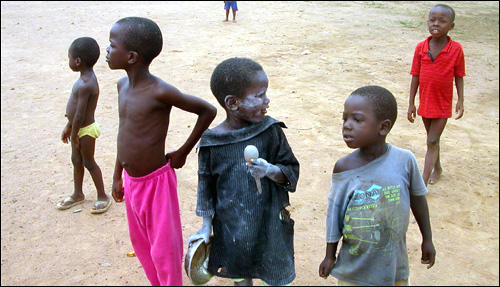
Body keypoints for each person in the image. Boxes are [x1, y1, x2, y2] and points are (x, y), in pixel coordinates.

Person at [106, 17, 217, 286]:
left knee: (164, 248)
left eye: (111, 45)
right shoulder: (122, 86)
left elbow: (207, 110)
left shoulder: (159, 91)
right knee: (141, 243)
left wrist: (183, 151)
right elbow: (124, 135)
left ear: (131, 56)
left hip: (156, 183)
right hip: (132, 182)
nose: (106, 50)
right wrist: (117, 175)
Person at [187, 57, 300, 286]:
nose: (267, 101)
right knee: (240, 273)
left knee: (276, 275)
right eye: (259, 95)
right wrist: (206, 226)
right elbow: (206, 188)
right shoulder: (212, 142)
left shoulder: (271, 131)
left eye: (265, 93)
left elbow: (290, 171)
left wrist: (270, 170)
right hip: (233, 226)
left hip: (271, 222)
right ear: (232, 103)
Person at [318, 86, 436, 286]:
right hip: (354, 269)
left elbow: (418, 199)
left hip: (393, 267)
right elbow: (335, 213)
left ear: (383, 127)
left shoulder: (404, 161)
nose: (347, 125)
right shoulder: (344, 168)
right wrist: (330, 255)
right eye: (344, 118)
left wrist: (428, 239)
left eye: (357, 120)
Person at [407, 4, 465, 186]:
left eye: (442, 21)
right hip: (425, 101)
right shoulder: (421, 48)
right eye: (432, 20)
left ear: (451, 26)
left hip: (442, 103)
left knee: (432, 139)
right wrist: (411, 103)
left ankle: (422, 182)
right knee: (432, 139)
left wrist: (461, 100)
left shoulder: (456, 49)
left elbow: (459, 76)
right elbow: (415, 76)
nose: (436, 24)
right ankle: (437, 168)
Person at [57, 37, 112, 214]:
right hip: (77, 128)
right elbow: (75, 113)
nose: (69, 61)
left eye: (69, 57)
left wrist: (74, 135)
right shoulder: (83, 79)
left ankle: (103, 195)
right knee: (76, 160)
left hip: (85, 130)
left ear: (77, 61)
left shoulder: (87, 84)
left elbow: (80, 114)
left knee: (89, 162)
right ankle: (78, 193)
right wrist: (69, 125)